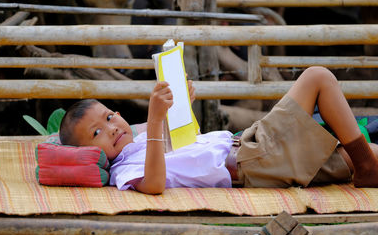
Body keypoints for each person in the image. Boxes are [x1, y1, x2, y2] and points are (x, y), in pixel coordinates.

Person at [59, 66, 378, 194]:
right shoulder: (123, 170)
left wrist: (178, 107)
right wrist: (156, 121)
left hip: (253, 144)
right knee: (317, 77)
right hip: (255, 161)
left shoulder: (137, 137)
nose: (111, 128)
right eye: (96, 133)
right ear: (89, 152)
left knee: (364, 155)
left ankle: (364, 166)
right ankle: (365, 169)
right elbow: (155, 184)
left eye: (110, 117)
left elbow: (180, 138)